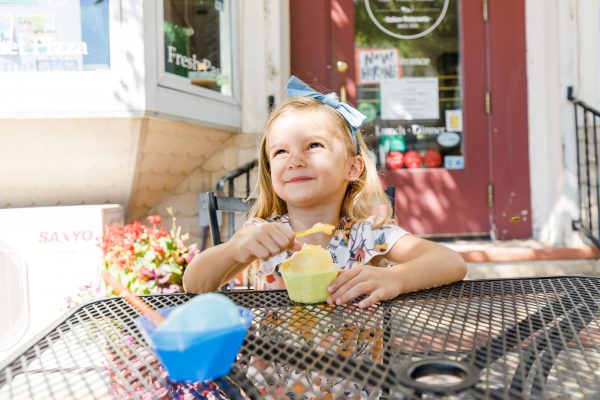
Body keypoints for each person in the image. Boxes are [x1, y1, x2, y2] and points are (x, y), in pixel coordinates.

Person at [183, 76, 466, 308]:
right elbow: (195, 284)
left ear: (352, 168)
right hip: (274, 373)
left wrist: (395, 279)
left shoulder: (368, 235)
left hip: (355, 376)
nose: (295, 160)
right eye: (281, 151)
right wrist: (235, 249)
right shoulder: (261, 234)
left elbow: (450, 262)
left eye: (313, 146)